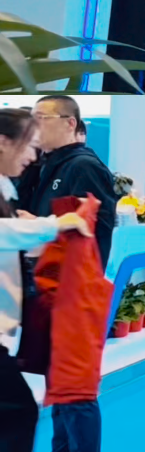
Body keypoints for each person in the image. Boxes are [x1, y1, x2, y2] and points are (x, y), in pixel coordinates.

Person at [0, 109, 92, 452]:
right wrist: (53, 225)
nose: (33, 156)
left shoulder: (8, 189)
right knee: (18, 412)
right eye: (29, 145)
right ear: (3, 142)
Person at [27, 97, 117, 264]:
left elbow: (89, 230)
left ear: (70, 123)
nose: (32, 126)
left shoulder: (84, 166)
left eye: (40, 118)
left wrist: (37, 225)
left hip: (67, 271)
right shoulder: (44, 164)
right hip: (41, 266)